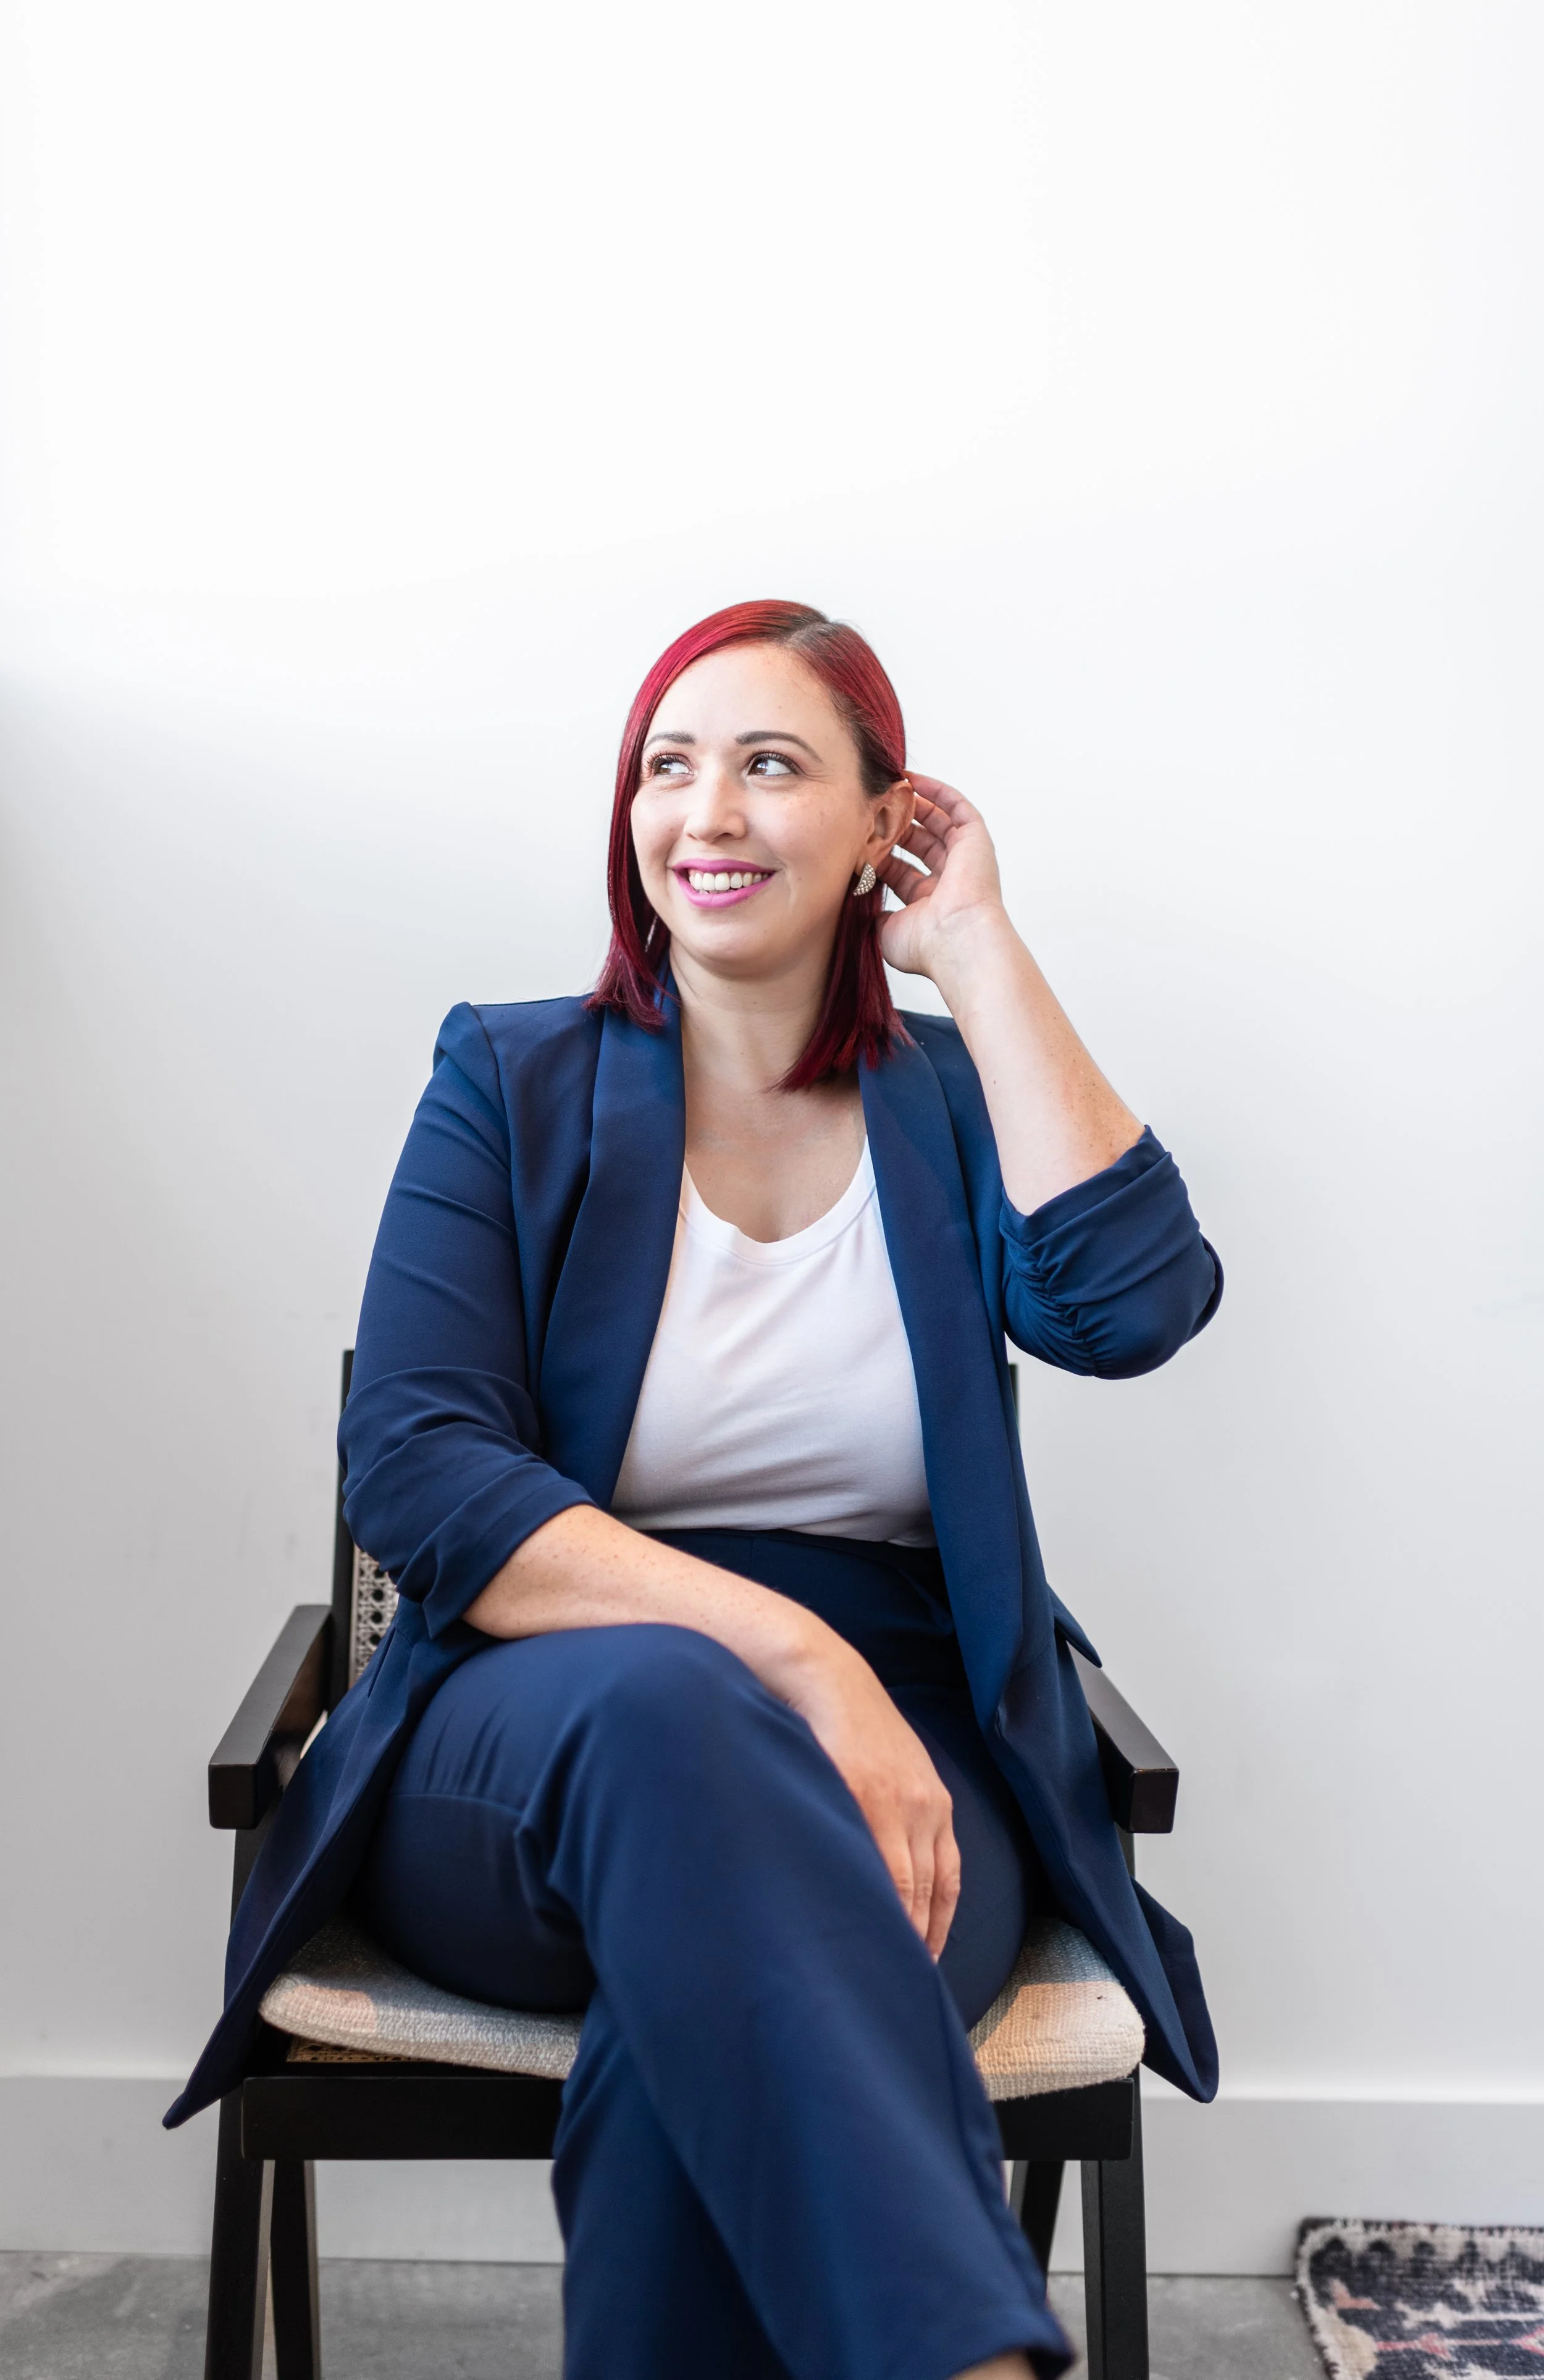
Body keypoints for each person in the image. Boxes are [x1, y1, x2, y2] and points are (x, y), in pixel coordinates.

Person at [167, 600, 1223, 2380]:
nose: (707, 812)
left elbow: (1133, 1307)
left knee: (715, 2023)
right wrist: (798, 1659)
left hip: (903, 1756)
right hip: (538, 1725)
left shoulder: (952, 1107)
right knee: (678, 1715)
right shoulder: (509, 1076)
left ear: (884, 822)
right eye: (669, 765)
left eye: (771, 764)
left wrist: (973, 951)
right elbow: (418, 1469)